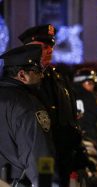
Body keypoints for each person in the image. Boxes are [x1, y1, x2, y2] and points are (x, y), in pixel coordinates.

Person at [18, 24, 92, 187]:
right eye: (44, 46)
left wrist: (79, 155)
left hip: (63, 160)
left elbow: (70, 120)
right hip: (36, 162)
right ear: (28, 49)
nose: (50, 50)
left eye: (51, 45)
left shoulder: (58, 78)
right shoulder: (19, 80)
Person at [0, 44, 54, 186]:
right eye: (37, 70)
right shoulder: (27, 104)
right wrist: (47, 183)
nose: (42, 75)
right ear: (22, 75)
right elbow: (40, 154)